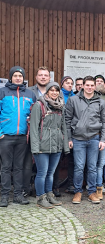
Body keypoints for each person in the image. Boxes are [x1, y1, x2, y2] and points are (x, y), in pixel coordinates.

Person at [65, 76, 105, 204]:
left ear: (95, 87)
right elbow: (67, 120)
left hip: (94, 138)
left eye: (92, 85)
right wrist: (69, 138)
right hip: (78, 139)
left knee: (92, 167)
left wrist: (103, 139)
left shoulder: (100, 102)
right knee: (79, 167)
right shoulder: (73, 100)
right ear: (83, 86)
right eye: (87, 85)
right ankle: (78, 191)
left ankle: (91, 192)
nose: (89, 87)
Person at [0, 66, 36, 207]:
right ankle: (4, 196)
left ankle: (18, 195)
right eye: (15, 75)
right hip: (6, 137)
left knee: (19, 167)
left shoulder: (30, 94)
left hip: (22, 137)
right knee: (6, 167)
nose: (18, 78)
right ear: (10, 77)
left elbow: (34, 115)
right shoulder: (2, 92)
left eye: (20, 76)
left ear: (23, 78)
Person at [30, 82, 69, 209]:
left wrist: (65, 146)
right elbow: (34, 129)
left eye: (56, 90)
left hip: (56, 146)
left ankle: (49, 194)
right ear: (47, 92)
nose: (54, 92)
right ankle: (40, 197)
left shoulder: (60, 107)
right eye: (51, 90)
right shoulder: (39, 105)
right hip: (42, 146)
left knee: (50, 173)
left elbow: (63, 127)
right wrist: (35, 147)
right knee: (42, 172)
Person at [24, 66, 51, 197]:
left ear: (49, 78)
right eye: (40, 75)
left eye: (45, 75)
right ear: (36, 77)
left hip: (49, 135)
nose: (43, 77)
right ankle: (27, 188)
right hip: (32, 132)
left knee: (48, 166)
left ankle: (50, 190)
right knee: (29, 163)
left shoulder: (55, 91)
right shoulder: (29, 91)